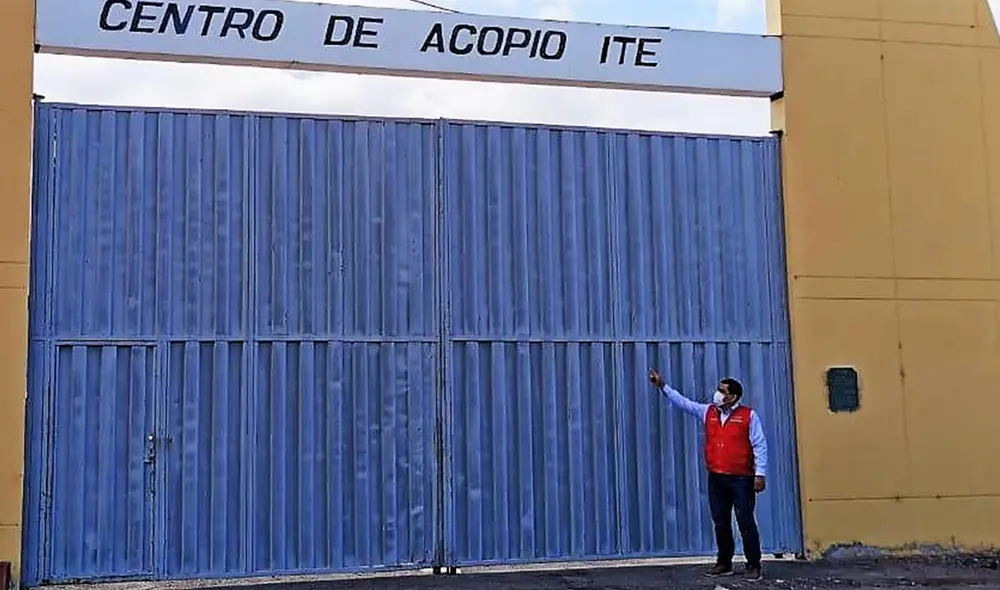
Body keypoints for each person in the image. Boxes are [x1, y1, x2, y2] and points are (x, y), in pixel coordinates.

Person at [647, 369, 768, 581]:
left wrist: (760, 474)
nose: (717, 394)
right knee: (720, 521)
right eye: (718, 390)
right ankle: (724, 562)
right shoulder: (709, 412)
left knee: (745, 520)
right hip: (717, 477)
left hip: (741, 478)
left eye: (722, 391)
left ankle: (753, 564)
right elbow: (684, 403)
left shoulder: (748, 416)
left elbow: (759, 445)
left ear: (733, 396)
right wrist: (662, 385)